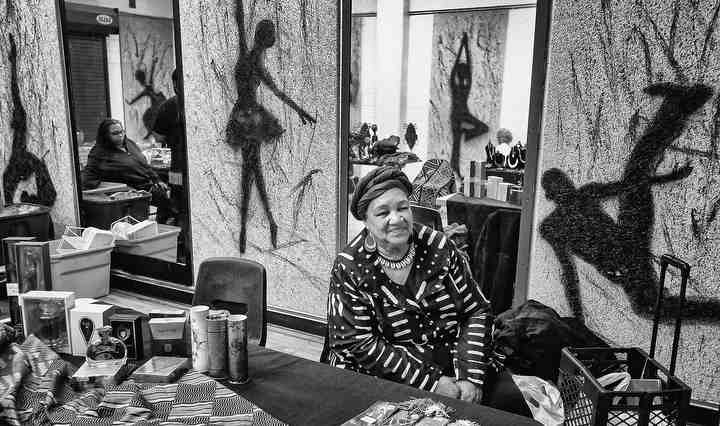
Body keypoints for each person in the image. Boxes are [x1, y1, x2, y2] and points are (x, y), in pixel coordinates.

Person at [327, 166, 530, 416]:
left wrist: (470, 376)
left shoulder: (439, 247)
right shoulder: (350, 266)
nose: (397, 218)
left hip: (453, 359)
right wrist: (432, 382)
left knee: (512, 408)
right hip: (383, 372)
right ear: (366, 221)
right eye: (382, 212)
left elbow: (475, 311)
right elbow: (356, 342)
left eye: (402, 207)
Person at [82, 119, 172, 220]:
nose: (120, 135)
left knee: (173, 195)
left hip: (147, 186)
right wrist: (122, 188)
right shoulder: (98, 153)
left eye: (122, 132)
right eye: (115, 133)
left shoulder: (129, 144)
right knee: (168, 201)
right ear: (105, 135)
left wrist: (157, 180)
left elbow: (144, 164)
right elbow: (88, 180)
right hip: (129, 194)